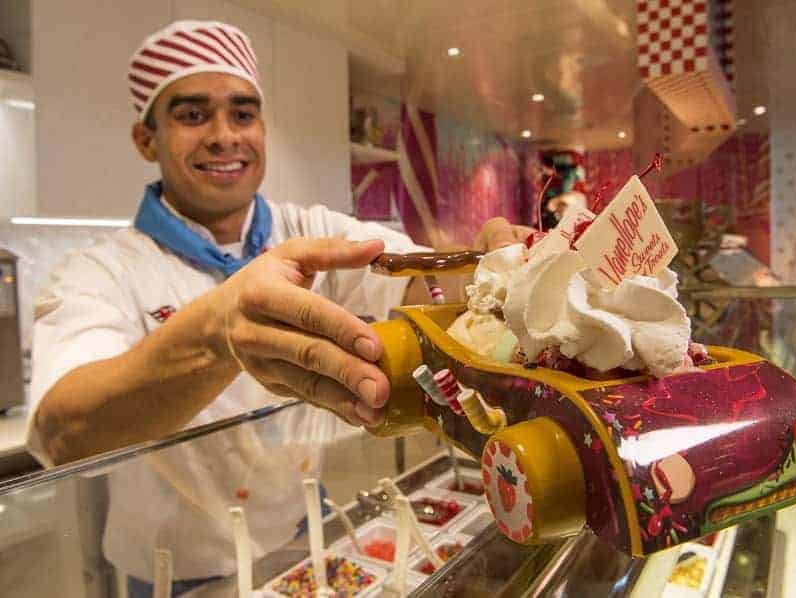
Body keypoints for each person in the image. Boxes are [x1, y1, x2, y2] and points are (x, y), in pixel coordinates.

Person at [24, 20, 529, 597]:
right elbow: (64, 431)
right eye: (192, 115)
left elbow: (414, 279)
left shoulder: (306, 230)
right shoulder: (101, 270)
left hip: (301, 541)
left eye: (242, 114)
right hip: (169, 574)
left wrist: (496, 272)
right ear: (147, 140)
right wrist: (219, 329)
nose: (223, 136)